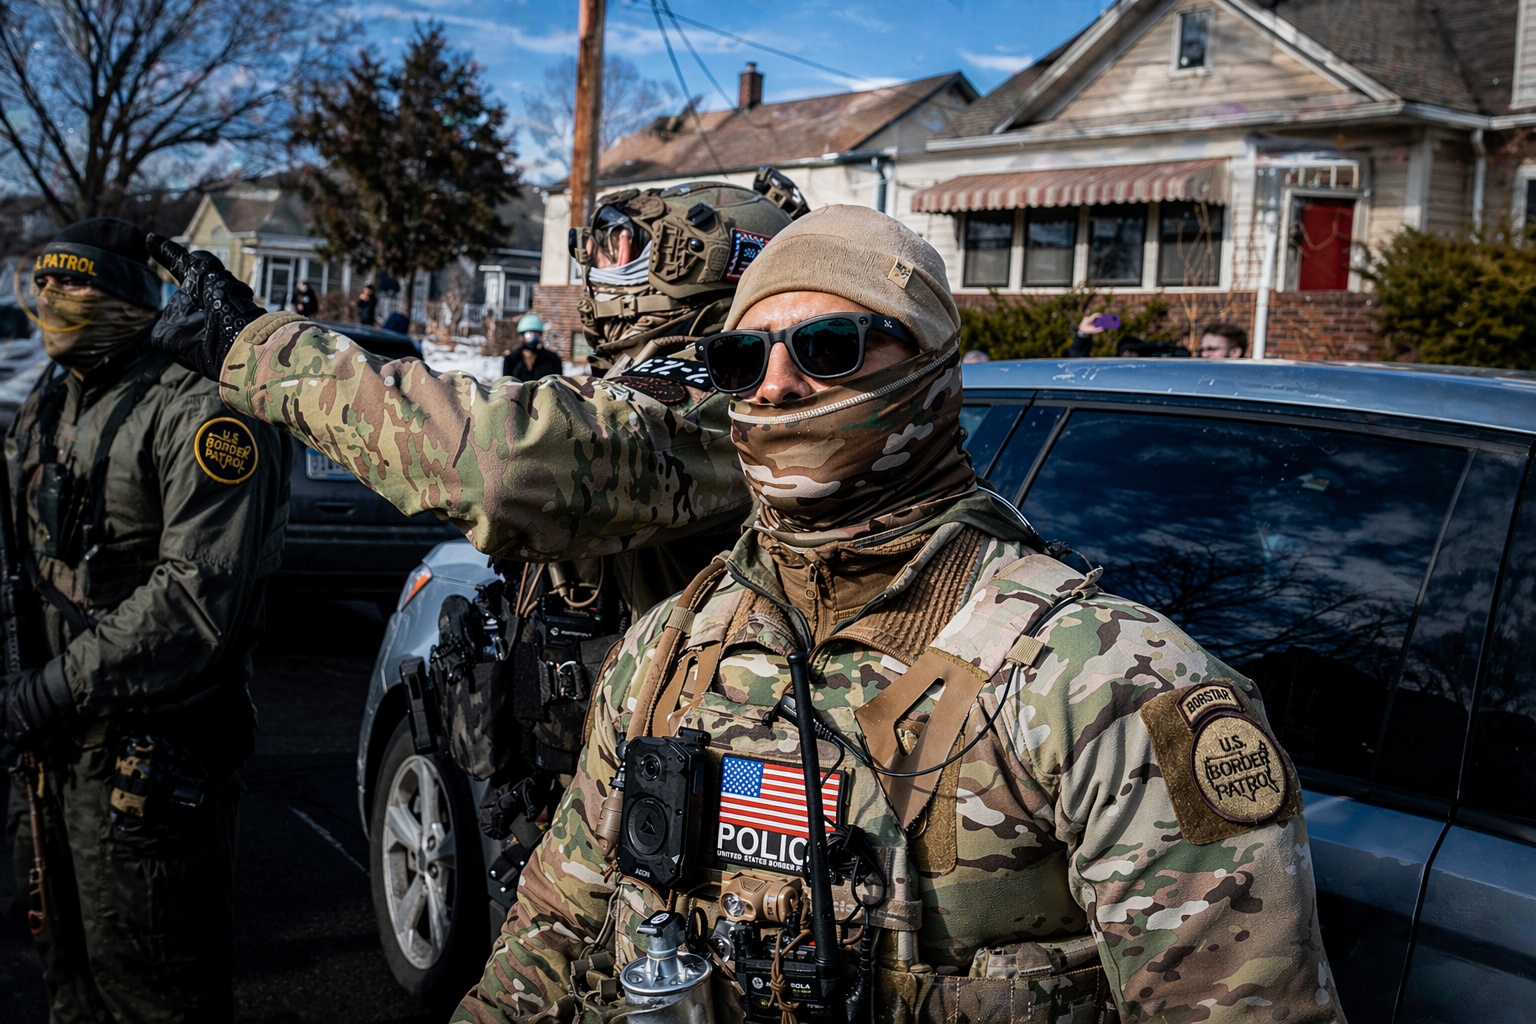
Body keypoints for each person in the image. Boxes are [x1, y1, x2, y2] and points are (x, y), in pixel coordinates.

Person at [444, 206, 1345, 1023]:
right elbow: (549, 947)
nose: (779, 385)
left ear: (930, 367)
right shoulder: (670, 647)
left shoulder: (1111, 683)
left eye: (830, 345)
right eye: (741, 359)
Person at [2, 218, 287, 1021]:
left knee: (158, 997)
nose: (52, 301)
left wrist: (50, 689)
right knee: (70, 986)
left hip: (148, 772)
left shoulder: (203, 411)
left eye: (75, 285)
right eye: (44, 285)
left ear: (128, 299)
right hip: (50, 767)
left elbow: (198, 599)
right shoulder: (52, 398)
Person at [502, 313, 561, 381]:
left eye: (536, 334)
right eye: (529, 335)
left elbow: (558, 386)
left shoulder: (552, 359)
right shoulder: (512, 359)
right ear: (523, 336)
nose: (534, 337)